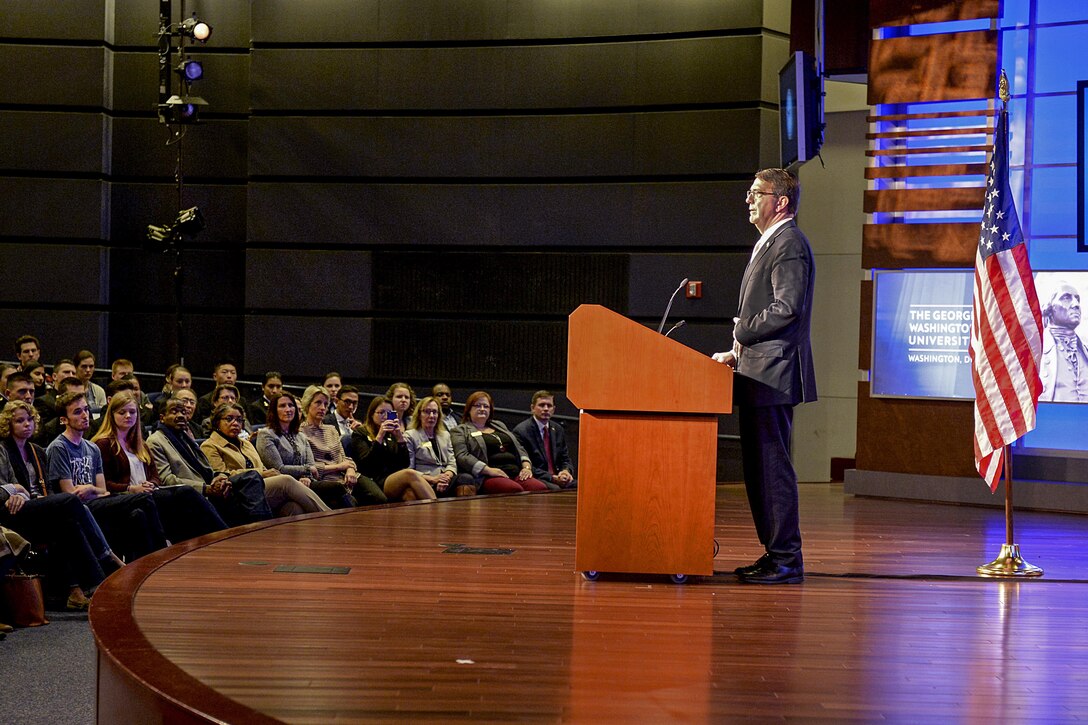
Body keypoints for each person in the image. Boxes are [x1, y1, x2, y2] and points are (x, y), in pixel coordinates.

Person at [712, 168, 816, 585]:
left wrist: (742, 331)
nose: (749, 200)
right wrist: (738, 354)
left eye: (757, 193)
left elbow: (787, 308)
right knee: (760, 470)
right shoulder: (771, 241)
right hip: (758, 372)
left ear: (782, 201)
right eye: (750, 192)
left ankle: (786, 559)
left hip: (774, 376)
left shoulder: (788, 243)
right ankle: (775, 554)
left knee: (772, 470)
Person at [0, 400, 122, 610]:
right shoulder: (2, 449)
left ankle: (95, 585)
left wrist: (35, 496)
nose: (27, 424)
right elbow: (5, 487)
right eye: (19, 421)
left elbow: (46, 487)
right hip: (13, 511)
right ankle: (106, 556)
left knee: (68, 523)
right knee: (71, 501)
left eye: (29, 419)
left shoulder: (36, 451)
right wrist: (17, 490)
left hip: (37, 507)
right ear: (7, 425)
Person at [45, 391, 169, 562]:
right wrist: (93, 491)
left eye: (86, 410)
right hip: (80, 508)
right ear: (63, 420)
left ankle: (144, 567)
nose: (85, 415)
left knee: (138, 514)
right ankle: (163, 557)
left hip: (97, 502)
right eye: (77, 412)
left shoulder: (91, 448)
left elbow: (103, 491)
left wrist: (90, 488)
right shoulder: (59, 447)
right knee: (143, 499)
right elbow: (71, 495)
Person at [92, 391, 227, 542]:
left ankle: (209, 542)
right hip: (125, 497)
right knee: (185, 492)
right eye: (122, 412)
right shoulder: (103, 444)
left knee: (186, 505)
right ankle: (224, 536)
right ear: (112, 414)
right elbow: (105, 483)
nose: (128, 416)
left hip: (149, 493)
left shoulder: (139, 443)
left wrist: (152, 483)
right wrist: (130, 488)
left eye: (132, 412)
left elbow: (155, 475)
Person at [147, 396, 276, 525]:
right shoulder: (156, 441)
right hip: (191, 494)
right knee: (256, 481)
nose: (181, 416)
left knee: (251, 477)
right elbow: (166, 480)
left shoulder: (185, 438)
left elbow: (206, 469)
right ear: (162, 417)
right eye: (174, 412)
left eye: (184, 412)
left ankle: (260, 527)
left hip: (210, 487)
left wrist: (219, 478)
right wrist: (206, 488)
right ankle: (262, 528)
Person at [200, 402, 330, 518]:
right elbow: (222, 476)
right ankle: (329, 517)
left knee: (293, 508)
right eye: (229, 419)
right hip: (239, 491)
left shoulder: (246, 444)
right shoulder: (209, 445)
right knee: (286, 481)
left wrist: (268, 473)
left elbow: (262, 467)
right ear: (217, 422)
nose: (235, 423)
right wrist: (262, 473)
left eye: (239, 420)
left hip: (259, 485)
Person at [256, 391, 363, 509]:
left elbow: (311, 464)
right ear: (273, 411)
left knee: (296, 508)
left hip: (305, 481)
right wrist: (307, 470)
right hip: (283, 483)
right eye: (282, 406)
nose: (288, 409)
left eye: (291, 405)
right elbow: (278, 468)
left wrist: (306, 476)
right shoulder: (266, 435)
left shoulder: (299, 435)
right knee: (336, 488)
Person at [451, 391, 549, 494]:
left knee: (540, 488)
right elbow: (462, 456)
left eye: (486, 406)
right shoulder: (460, 430)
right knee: (514, 490)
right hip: (487, 475)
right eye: (478, 406)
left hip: (515, 472)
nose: (482, 409)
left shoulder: (499, 425)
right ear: (469, 409)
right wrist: (488, 470)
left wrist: (526, 467)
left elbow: (519, 447)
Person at [349, 396, 435, 502]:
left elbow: (404, 463)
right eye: (381, 413)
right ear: (372, 414)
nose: (385, 417)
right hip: (374, 480)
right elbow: (367, 464)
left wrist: (399, 437)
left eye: (389, 413)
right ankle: (436, 506)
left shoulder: (391, 434)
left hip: (393, 479)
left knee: (410, 495)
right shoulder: (360, 433)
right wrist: (379, 436)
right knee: (410, 474)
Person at [405, 396, 475, 497]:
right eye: (427, 411)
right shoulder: (410, 435)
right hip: (424, 481)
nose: (432, 415)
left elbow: (452, 462)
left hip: (445, 479)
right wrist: (433, 479)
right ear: (419, 414)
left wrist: (446, 477)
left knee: (466, 478)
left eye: (435, 412)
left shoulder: (445, 435)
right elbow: (409, 469)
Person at [512, 390, 577, 490]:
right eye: (542, 405)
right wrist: (552, 478)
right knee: (556, 490)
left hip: (558, 477)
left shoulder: (558, 429)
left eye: (549, 406)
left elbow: (565, 458)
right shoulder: (521, 431)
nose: (546, 409)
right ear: (532, 408)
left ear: (554, 409)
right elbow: (524, 465)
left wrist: (566, 471)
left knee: (581, 487)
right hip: (539, 477)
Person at [1039, 280, 1087, 402]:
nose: (1076, 304)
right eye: (1066, 298)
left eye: (1077, 299)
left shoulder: (1084, 351)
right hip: (1050, 419)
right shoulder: (1036, 349)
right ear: (1050, 308)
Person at [74, 349, 108, 414]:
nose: (88, 370)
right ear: (75, 367)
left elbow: (103, 415)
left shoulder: (99, 391)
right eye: (84, 366)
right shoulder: (68, 389)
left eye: (91, 366)